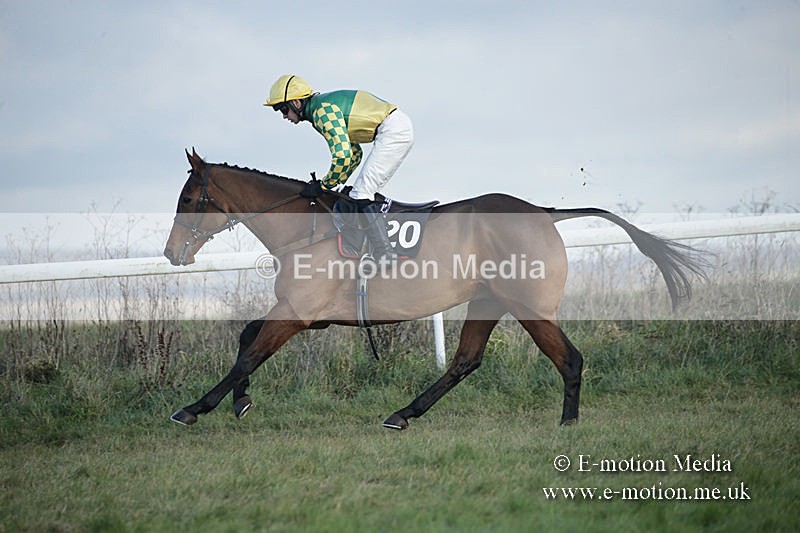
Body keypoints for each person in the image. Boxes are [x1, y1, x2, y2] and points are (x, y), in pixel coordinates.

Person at [265, 74, 414, 259]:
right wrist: (332, 184)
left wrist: (324, 185)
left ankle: (385, 253)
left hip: (393, 131)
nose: (284, 116)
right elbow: (355, 154)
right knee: (358, 193)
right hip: (394, 128)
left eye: (283, 109)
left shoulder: (322, 112)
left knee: (361, 193)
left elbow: (343, 156)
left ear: (296, 103)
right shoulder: (320, 109)